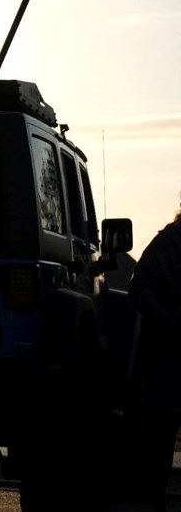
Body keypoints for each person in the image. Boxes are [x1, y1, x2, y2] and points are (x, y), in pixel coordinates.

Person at [129, 200, 181, 512]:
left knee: (160, 436)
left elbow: (139, 289)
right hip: (170, 355)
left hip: (167, 354)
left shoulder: (166, 242)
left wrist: (163, 321)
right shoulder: (170, 243)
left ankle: (155, 498)